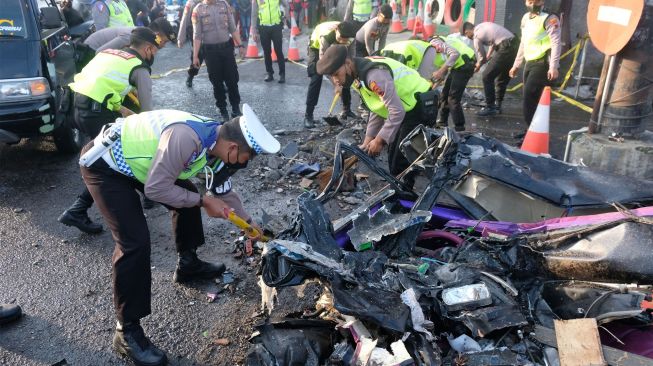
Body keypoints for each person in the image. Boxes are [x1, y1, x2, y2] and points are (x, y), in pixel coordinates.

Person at [78, 105, 279, 365]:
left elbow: (224, 193)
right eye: (246, 159)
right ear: (233, 148)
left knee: (187, 202)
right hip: (106, 166)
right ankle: (126, 332)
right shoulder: (187, 138)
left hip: (144, 166)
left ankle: (188, 264)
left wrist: (249, 224)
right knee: (134, 243)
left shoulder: (217, 145)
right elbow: (156, 189)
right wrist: (203, 201)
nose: (244, 164)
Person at [58, 28, 161, 234]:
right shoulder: (139, 67)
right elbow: (148, 111)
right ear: (148, 48)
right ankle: (78, 210)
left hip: (73, 108)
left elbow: (101, 83)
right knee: (112, 160)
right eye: (155, 52)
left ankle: (147, 195)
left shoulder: (108, 53)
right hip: (95, 112)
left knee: (102, 158)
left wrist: (122, 109)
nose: (154, 56)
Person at [316, 45, 433, 188]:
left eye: (336, 74)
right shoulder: (356, 75)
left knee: (399, 158)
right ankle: (405, 178)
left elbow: (396, 111)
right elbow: (377, 107)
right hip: (406, 106)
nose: (336, 81)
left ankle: (405, 196)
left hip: (421, 104)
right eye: (332, 77)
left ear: (347, 63)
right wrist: (368, 140)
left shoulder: (373, 75)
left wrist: (379, 140)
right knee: (394, 151)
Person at [509, 0, 561, 128]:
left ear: (542, 2)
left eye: (536, 1)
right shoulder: (525, 18)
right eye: (530, 1)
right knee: (529, 99)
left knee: (529, 98)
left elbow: (556, 43)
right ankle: (531, 131)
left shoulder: (550, 18)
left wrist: (553, 67)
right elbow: (523, 42)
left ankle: (532, 131)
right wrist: (516, 64)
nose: (533, 4)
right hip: (529, 62)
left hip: (542, 63)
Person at [192, 0, 245, 121]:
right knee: (217, 82)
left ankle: (236, 108)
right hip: (210, 52)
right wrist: (195, 56)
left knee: (232, 79)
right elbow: (197, 35)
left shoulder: (224, 5)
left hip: (226, 49)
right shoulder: (198, 10)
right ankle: (223, 110)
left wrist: (240, 45)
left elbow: (232, 28)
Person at [304, 21, 357, 128]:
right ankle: (308, 115)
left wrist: (350, 74)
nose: (342, 41)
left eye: (345, 40)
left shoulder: (351, 37)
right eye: (341, 38)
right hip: (317, 49)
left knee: (346, 73)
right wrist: (336, 83)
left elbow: (351, 59)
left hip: (336, 49)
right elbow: (325, 65)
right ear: (336, 30)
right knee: (316, 77)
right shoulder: (326, 36)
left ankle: (346, 109)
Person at [463, 21, 518, 117]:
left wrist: (477, 66)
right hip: (515, 45)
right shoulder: (483, 26)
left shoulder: (476, 36)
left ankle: (490, 107)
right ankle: (497, 105)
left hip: (505, 48)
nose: (468, 37)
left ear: (467, 31)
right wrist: (488, 55)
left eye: (466, 35)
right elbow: (494, 41)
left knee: (486, 76)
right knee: (502, 78)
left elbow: (482, 58)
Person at [429, 35, 476, 131]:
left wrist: (440, 71)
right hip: (458, 65)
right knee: (444, 94)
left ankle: (460, 127)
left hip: (465, 64)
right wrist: (432, 88)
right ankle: (442, 122)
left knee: (453, 98)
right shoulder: (435, 48)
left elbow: (455, 54)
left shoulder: (434, 43)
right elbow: (444, 71)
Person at [84, 17, 176, 53]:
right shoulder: (131, 37)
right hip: (91, 50)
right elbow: (100, 53)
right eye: (165, 42)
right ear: (157, 35)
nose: (164, 46)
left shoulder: (142, 37)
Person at [251, 0, 289, 83]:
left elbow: (286, 4)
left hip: (276, 26)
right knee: (267, 52)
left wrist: (286, 16)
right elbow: (254, 14)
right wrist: (253, 30)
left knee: (278, 51)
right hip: (263, 27)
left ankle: (282, 74)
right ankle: (269, 73)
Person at [178, 0, 203, 87]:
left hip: (210, 35)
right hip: (196, 35)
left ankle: (220, 81)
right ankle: (190, 76)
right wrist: (181, 38)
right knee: (197, 57)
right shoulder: (191, 3)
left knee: (215, 58)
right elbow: (184, 21)